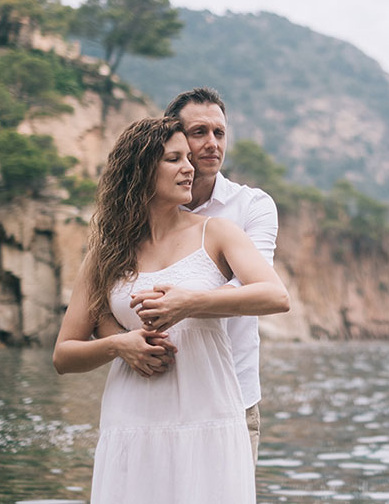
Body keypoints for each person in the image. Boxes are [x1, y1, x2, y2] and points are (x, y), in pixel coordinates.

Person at [53, 117, 290, 503]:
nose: (189, 167)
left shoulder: (217, 233)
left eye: (187, 158)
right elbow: (64, 355)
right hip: (132, 418)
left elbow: (276, 296)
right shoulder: (106, 253)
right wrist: (120, 345)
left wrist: (189, 302)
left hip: (209, 415)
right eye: (173, 159)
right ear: (142, 171)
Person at [102, 86, 280, 463]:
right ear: (174, 137)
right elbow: (105, 297)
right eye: (199, 132)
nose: (212, 143)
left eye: (220, 132)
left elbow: (259, 287)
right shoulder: (132, 221)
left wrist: (187, 302)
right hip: (150, 391)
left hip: (231, 395)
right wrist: (124, 342)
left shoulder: (251, 207)